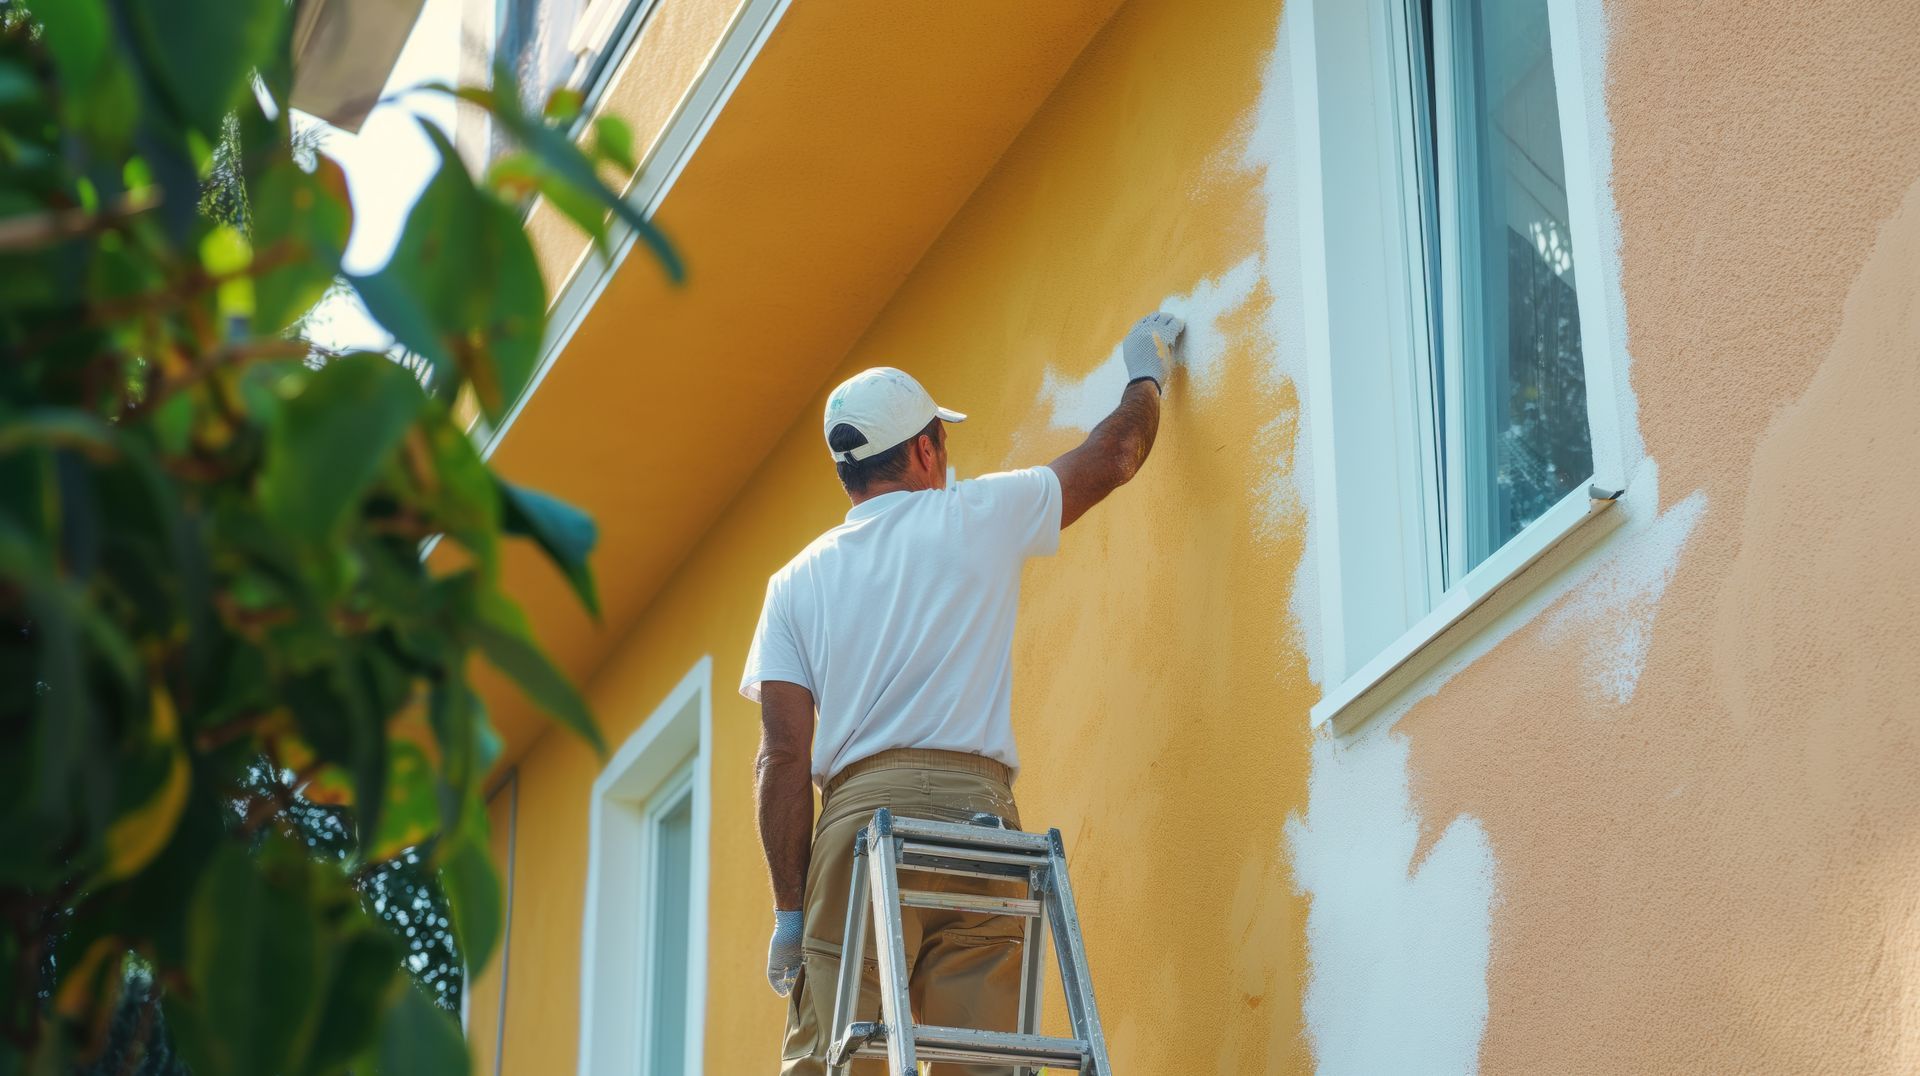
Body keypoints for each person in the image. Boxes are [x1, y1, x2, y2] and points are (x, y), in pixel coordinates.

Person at [741, 311, 1185, 1074]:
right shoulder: (978, 514)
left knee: (837, 1061)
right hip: (976, 825)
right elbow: (1114, 454)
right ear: (923, 448)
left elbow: (783, 760)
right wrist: (1145, 375)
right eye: (942, 439)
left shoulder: (794, 584)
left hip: (858, 828)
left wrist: (790, 911)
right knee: (976, 1064)